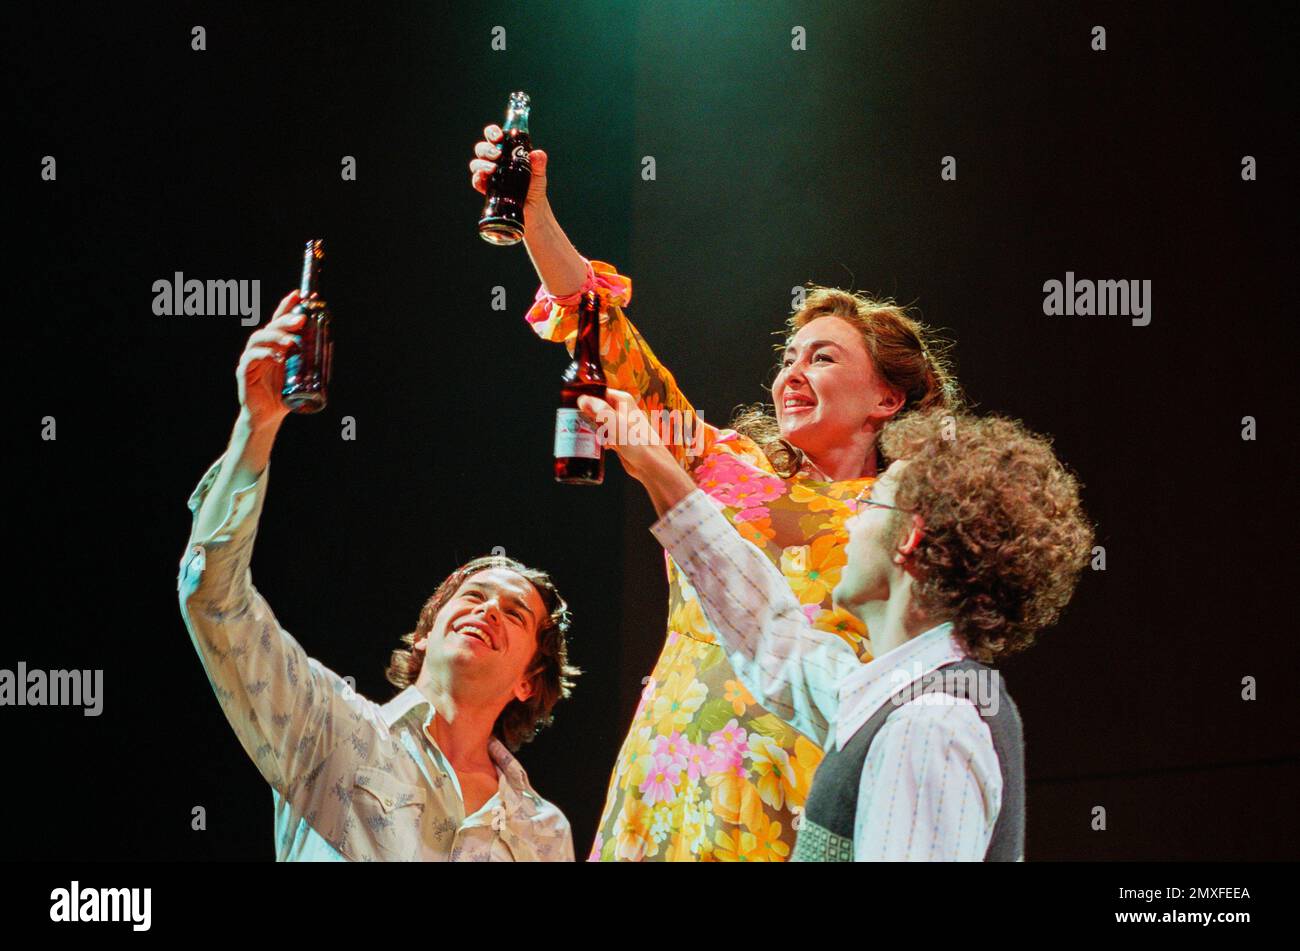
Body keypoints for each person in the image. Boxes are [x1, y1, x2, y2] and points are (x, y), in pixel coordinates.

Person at [470, 125, 962, 860]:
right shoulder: (723, 466)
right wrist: (533, 210)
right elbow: (603, 335)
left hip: (798, 795)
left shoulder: (903, 521)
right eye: (787, 357)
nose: (791, 373)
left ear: (887, 399)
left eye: (822, 357)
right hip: (669, 779)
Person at [586, 394, 1092, 860]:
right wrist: (656, 467)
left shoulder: (931, 726)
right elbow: (769, 635)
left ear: (909, 538)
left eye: (868, 504)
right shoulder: (903, 699)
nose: (848, 524)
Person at [177, 289, 579, 861]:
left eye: (514, 613)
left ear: (529, 684)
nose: (488, 610)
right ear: (424, 635)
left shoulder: (544, 832)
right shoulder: (328, 728)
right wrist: (254, 428)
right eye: (471, 597)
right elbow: (212, 598)